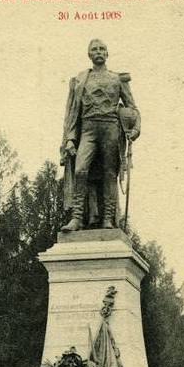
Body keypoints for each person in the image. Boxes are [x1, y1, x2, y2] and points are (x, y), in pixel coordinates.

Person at [60, 39, 141, 231]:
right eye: (94, 49)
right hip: (87, 128)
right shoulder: (81, 80)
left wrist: (135, 129)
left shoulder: (117, 79)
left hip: (110, 127)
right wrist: (70, 138)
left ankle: (107, 219)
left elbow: (132, 108)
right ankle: (77, 218)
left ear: (107, 53)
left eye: (102, 49)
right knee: (80, 170)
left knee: (109, 173)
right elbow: (73, 112)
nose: (99, 52)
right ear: (89, 54)